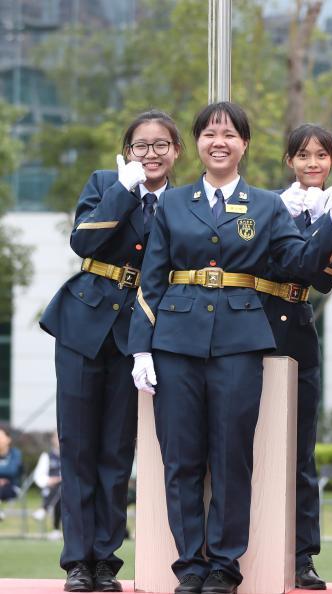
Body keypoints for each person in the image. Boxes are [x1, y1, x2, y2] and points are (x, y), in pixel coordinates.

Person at [128, 101, 332, 594]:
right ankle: (189, 565)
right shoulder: (174, 203)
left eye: (230, 134)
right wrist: (141, 348)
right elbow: (152, 281)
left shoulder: (267, 206)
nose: (220, 142)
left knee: (233, 457)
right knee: (181, 459)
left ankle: (224, 565)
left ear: (244, 144)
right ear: (197, 143)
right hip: (176, 341)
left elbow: (300, 263)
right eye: (210, 134)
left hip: (239, 340)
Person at [39, 110, 183, 592]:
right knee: (78, 447)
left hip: (136, 336)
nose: (151, 154)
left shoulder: (182, 203)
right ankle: (77, 562)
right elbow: (83, 240)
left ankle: (105, 559)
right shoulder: (105, 183)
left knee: (117, 452)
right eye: (141, 145)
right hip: (83, 325)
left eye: (161, 145)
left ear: (176, 152)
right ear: (127, 151)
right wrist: (123, 191)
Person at [266, 123, 332, 590]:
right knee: (250, 446)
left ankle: (302, 556)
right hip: (258, 325)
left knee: (301, 452)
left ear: (331, 161)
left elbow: (323, 279)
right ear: (289, 161)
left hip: (297, 327)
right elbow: (272, 262)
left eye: (321, 155)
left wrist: (326, 222)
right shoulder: (269, 205)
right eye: (303, 155)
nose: (312, 163)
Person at [33, 433, 63, 535]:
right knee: (60, 489)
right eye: (56, 437)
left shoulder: (71, 456)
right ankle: (56, 529)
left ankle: (44, 508)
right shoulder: (46, 456)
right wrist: (49, 480)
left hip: (69, 488)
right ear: (52, 440)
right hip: (51, 488)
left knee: (62, 488)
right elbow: (39, 476)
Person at [0, 427, 23, 513]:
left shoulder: (15, 453)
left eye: (1, 437)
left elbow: (12, 471)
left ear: (8, 439)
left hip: (12, 487)